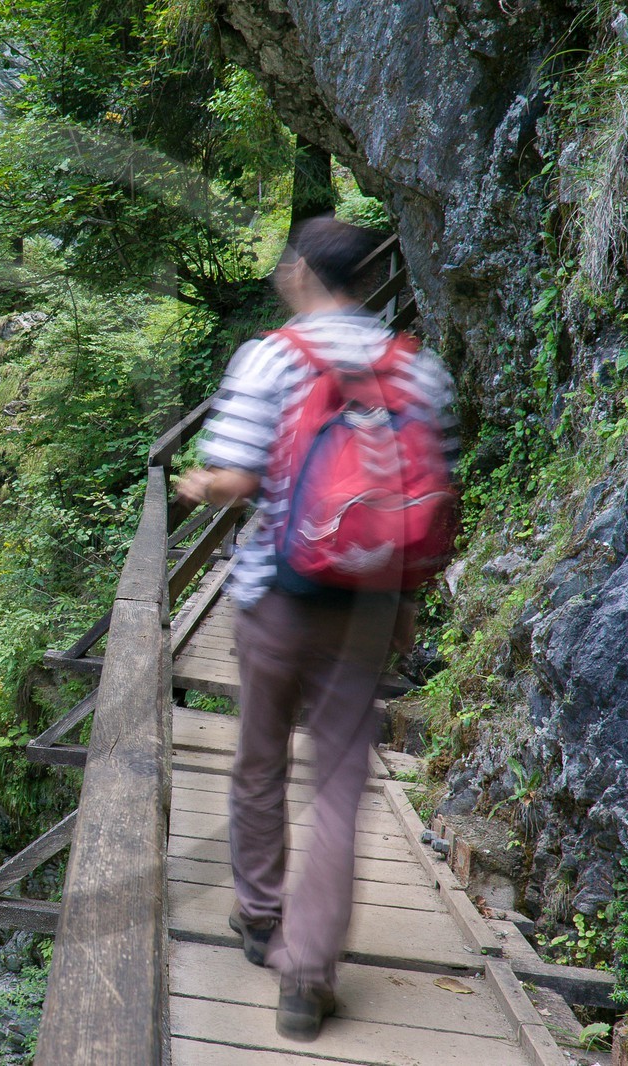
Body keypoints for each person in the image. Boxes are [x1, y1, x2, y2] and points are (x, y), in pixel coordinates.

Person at [175, 217, 457, 1041]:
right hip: (371, 604)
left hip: (279, 594)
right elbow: (435, 500)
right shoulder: (418, 369)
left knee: (260, 756)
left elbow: (235, 477)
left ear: (302, 273)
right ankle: (308, 974)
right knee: (339, 783)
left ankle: (261, 918)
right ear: (367, 284)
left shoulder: (273, 357)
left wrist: (197, 483)